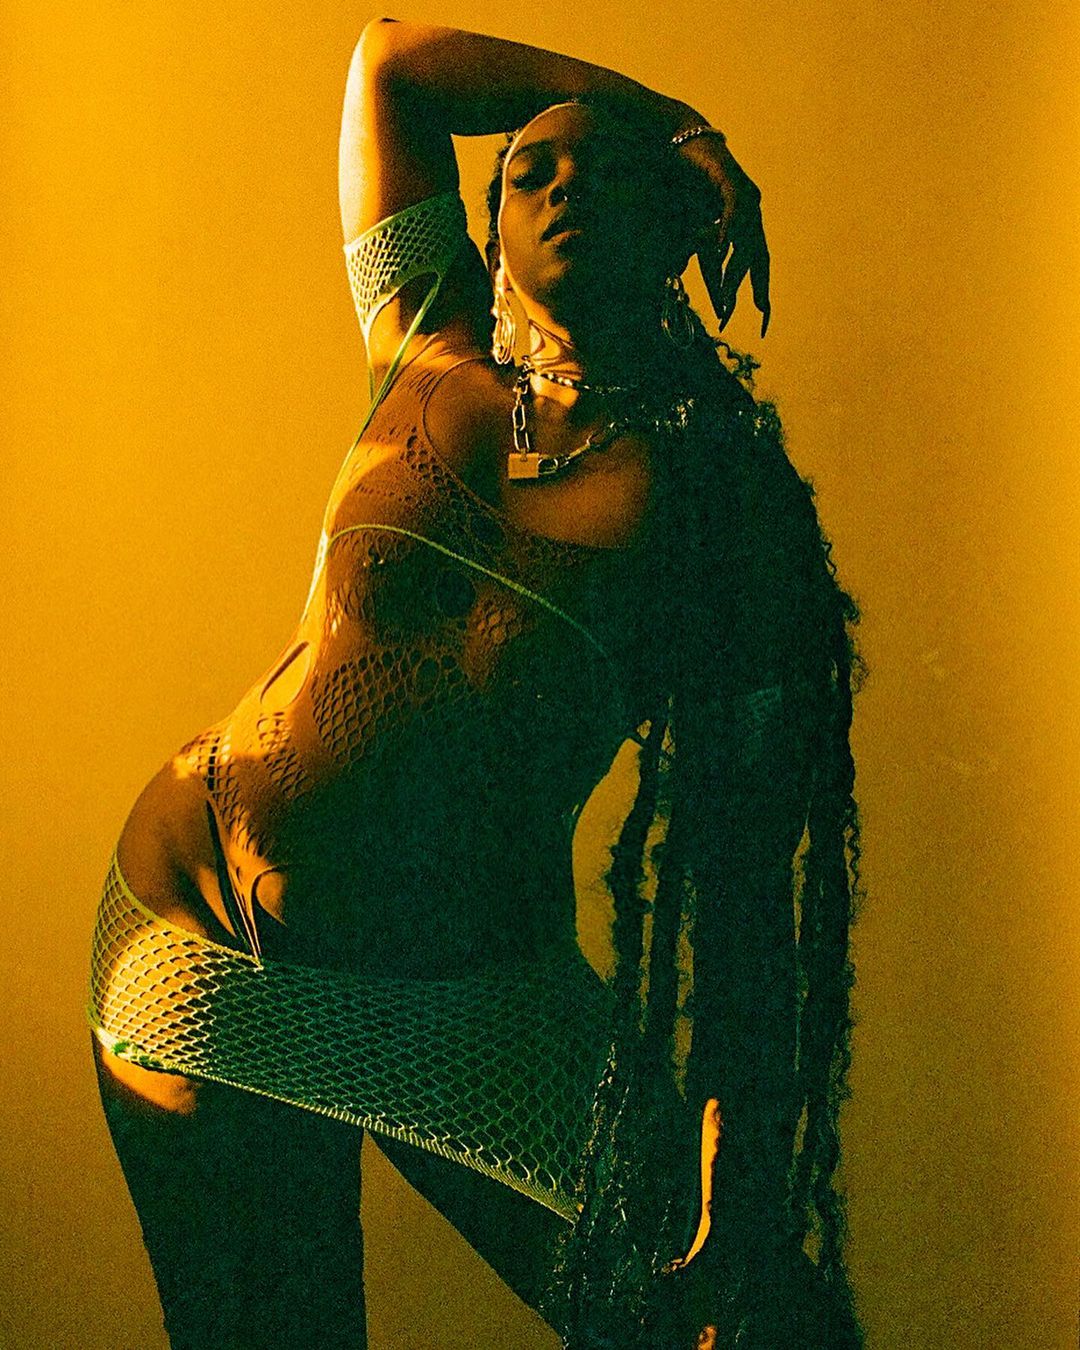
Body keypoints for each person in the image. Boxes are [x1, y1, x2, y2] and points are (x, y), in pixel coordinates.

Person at [88, 18, 866, 1349]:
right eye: (530, 172)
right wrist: (663, 110)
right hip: (206, 946)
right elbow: (392, 61)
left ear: (681, 228)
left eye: (607, 170)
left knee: (750, 1326)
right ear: (491, 225)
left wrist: (734, 1168)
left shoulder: (725, 510)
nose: (561, 186)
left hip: (472, 1004)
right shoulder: (422, 339)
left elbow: (743, 878)